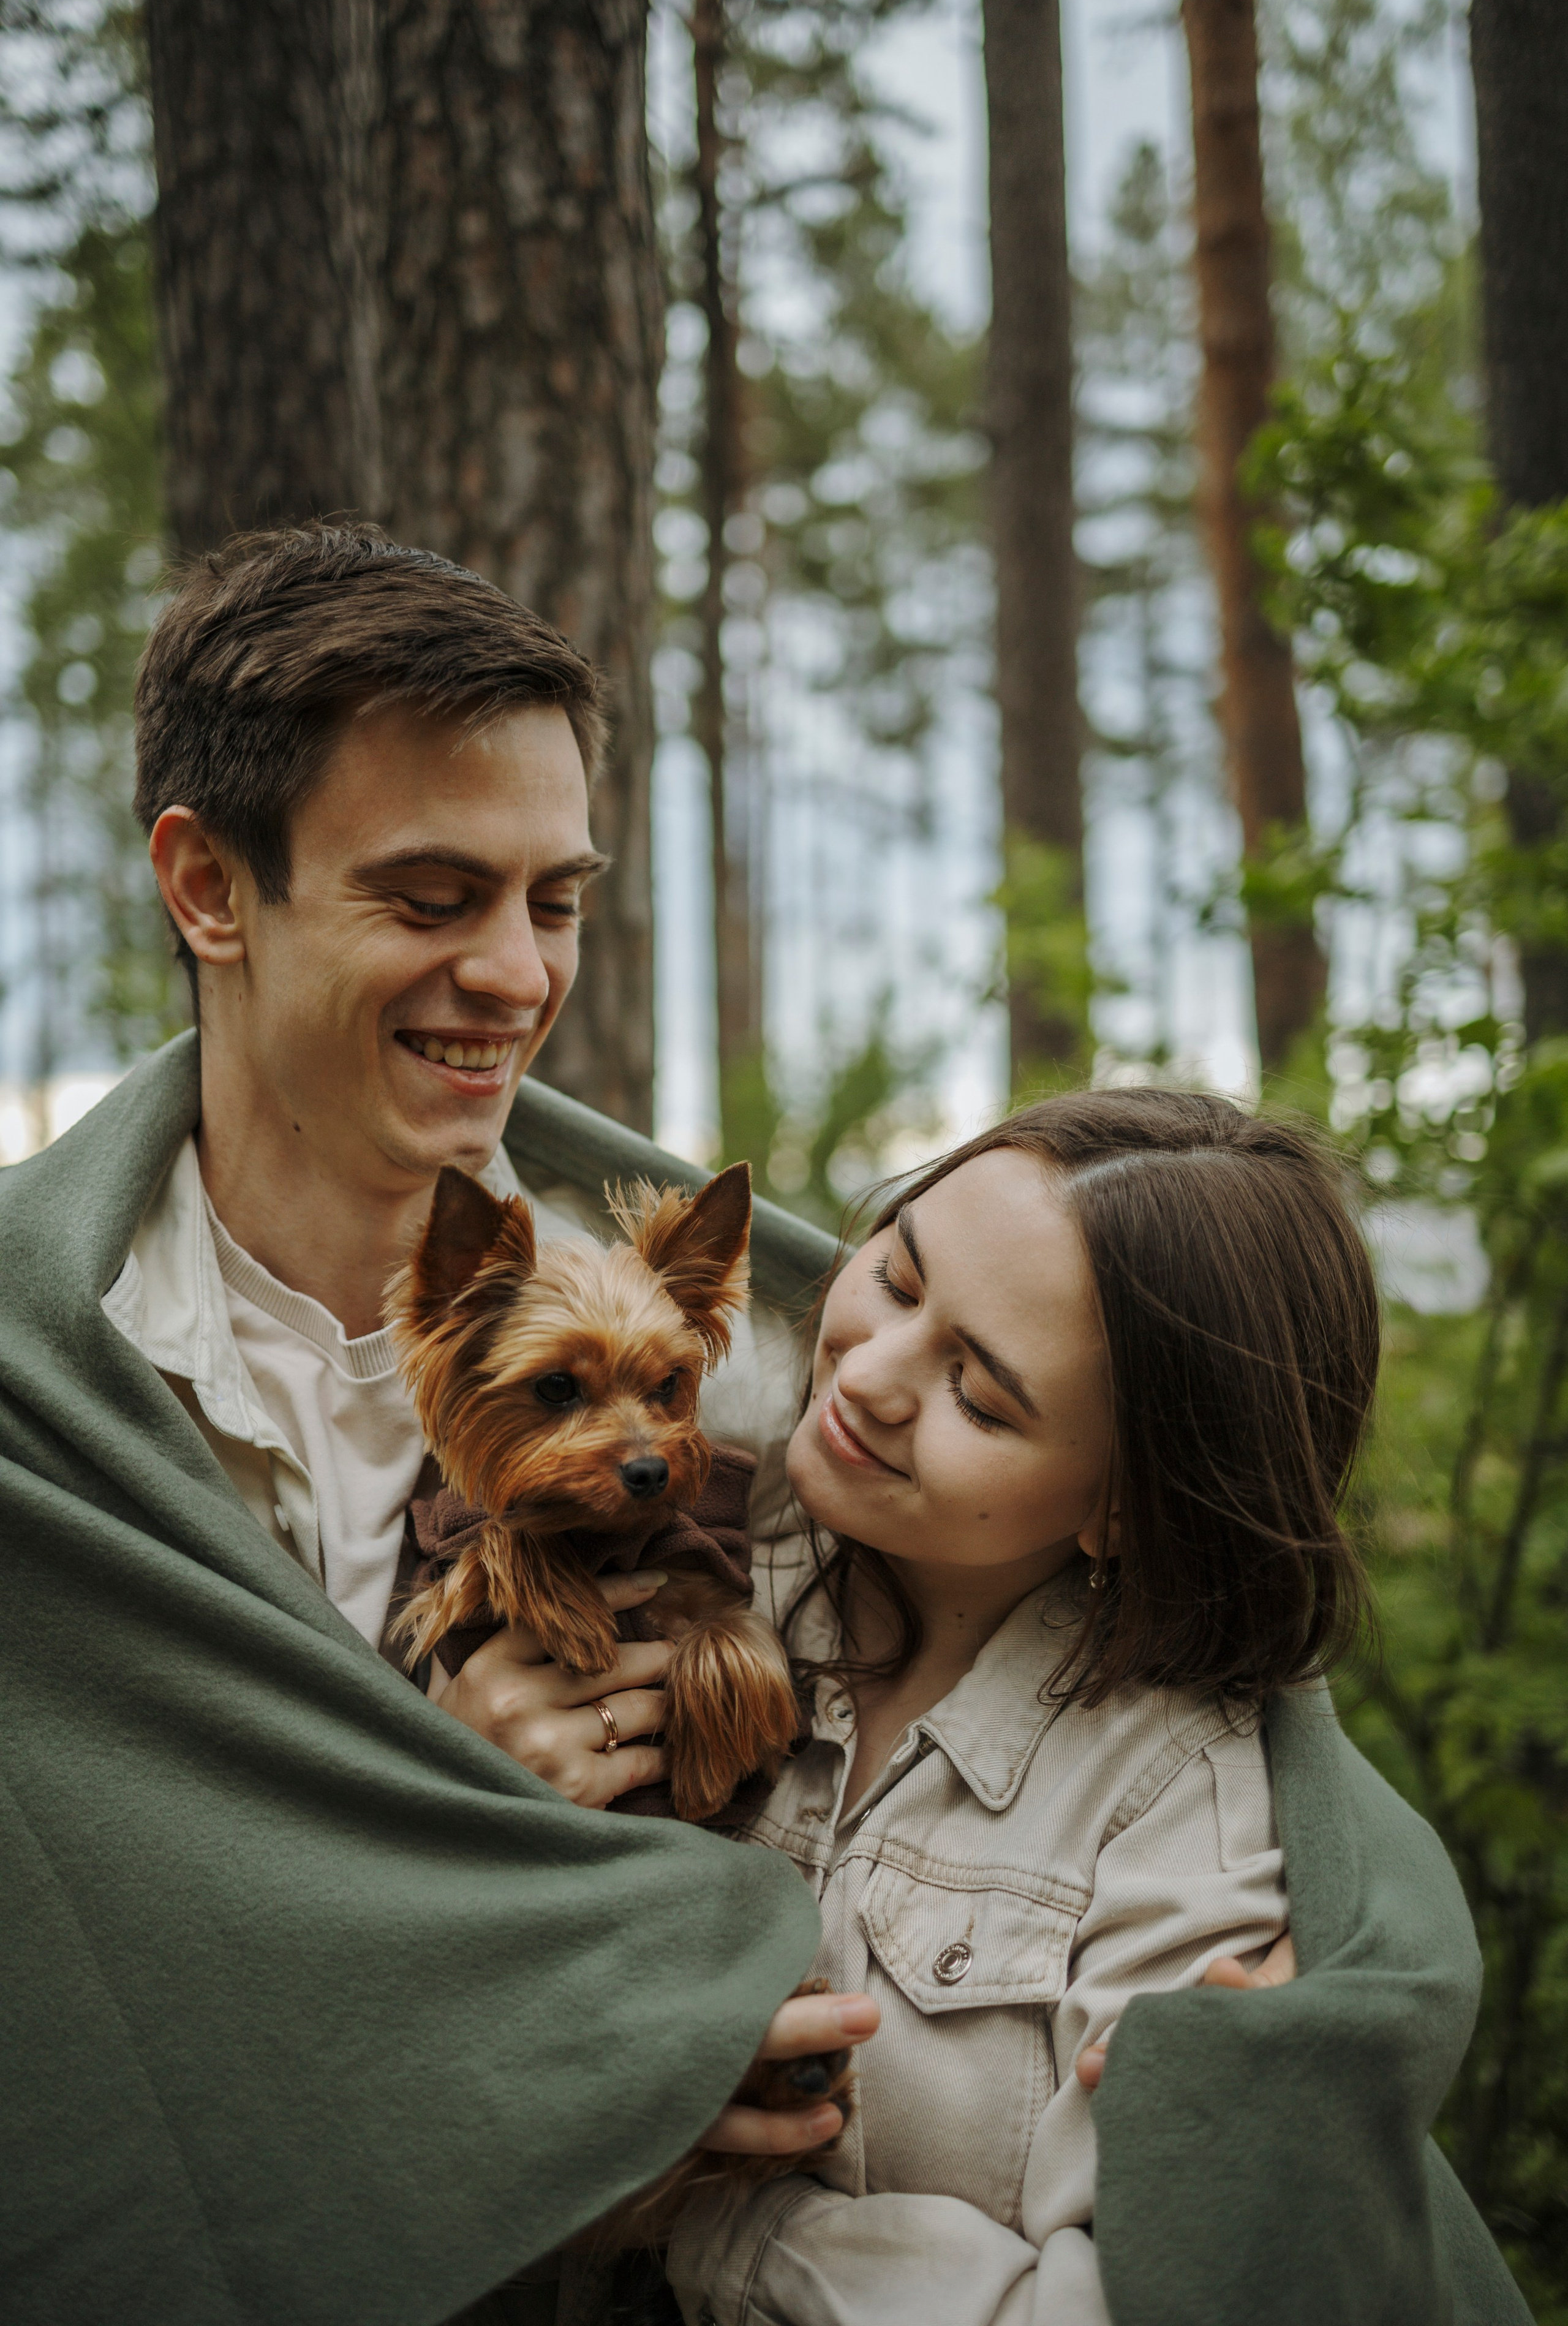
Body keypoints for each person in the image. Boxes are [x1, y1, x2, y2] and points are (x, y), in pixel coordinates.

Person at [0, 523, 873, 2326]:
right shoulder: (43, 1376)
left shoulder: (769, 1356)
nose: (513, 976)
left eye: (552, 900)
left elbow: (1114, 1679)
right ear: (210, 889)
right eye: (429, 896)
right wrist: (465, 1827)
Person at [502, 1096, 1536, 2326]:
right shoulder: (667, 1544)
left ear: (1125, 1507)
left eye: (982, 1398)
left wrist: (727, 2221)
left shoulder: (1177, 1826)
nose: (869, 1376)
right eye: (893, 1274)